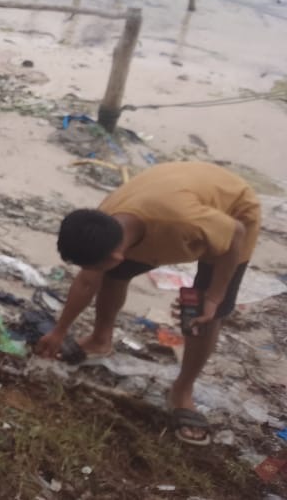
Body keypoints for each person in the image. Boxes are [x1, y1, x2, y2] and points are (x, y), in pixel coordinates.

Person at [35, 161, 261, 447]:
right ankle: (99, 340)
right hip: (179, 187)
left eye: (94, 265)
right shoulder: (104, 221)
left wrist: (214, 297)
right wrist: (60, 331)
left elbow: (236, 234)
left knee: (202, 313)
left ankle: (182, 389)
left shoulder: (184, 224)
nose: (90, 271)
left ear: (117, 254)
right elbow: (86, 281)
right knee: (111, 277)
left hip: (233, 215)